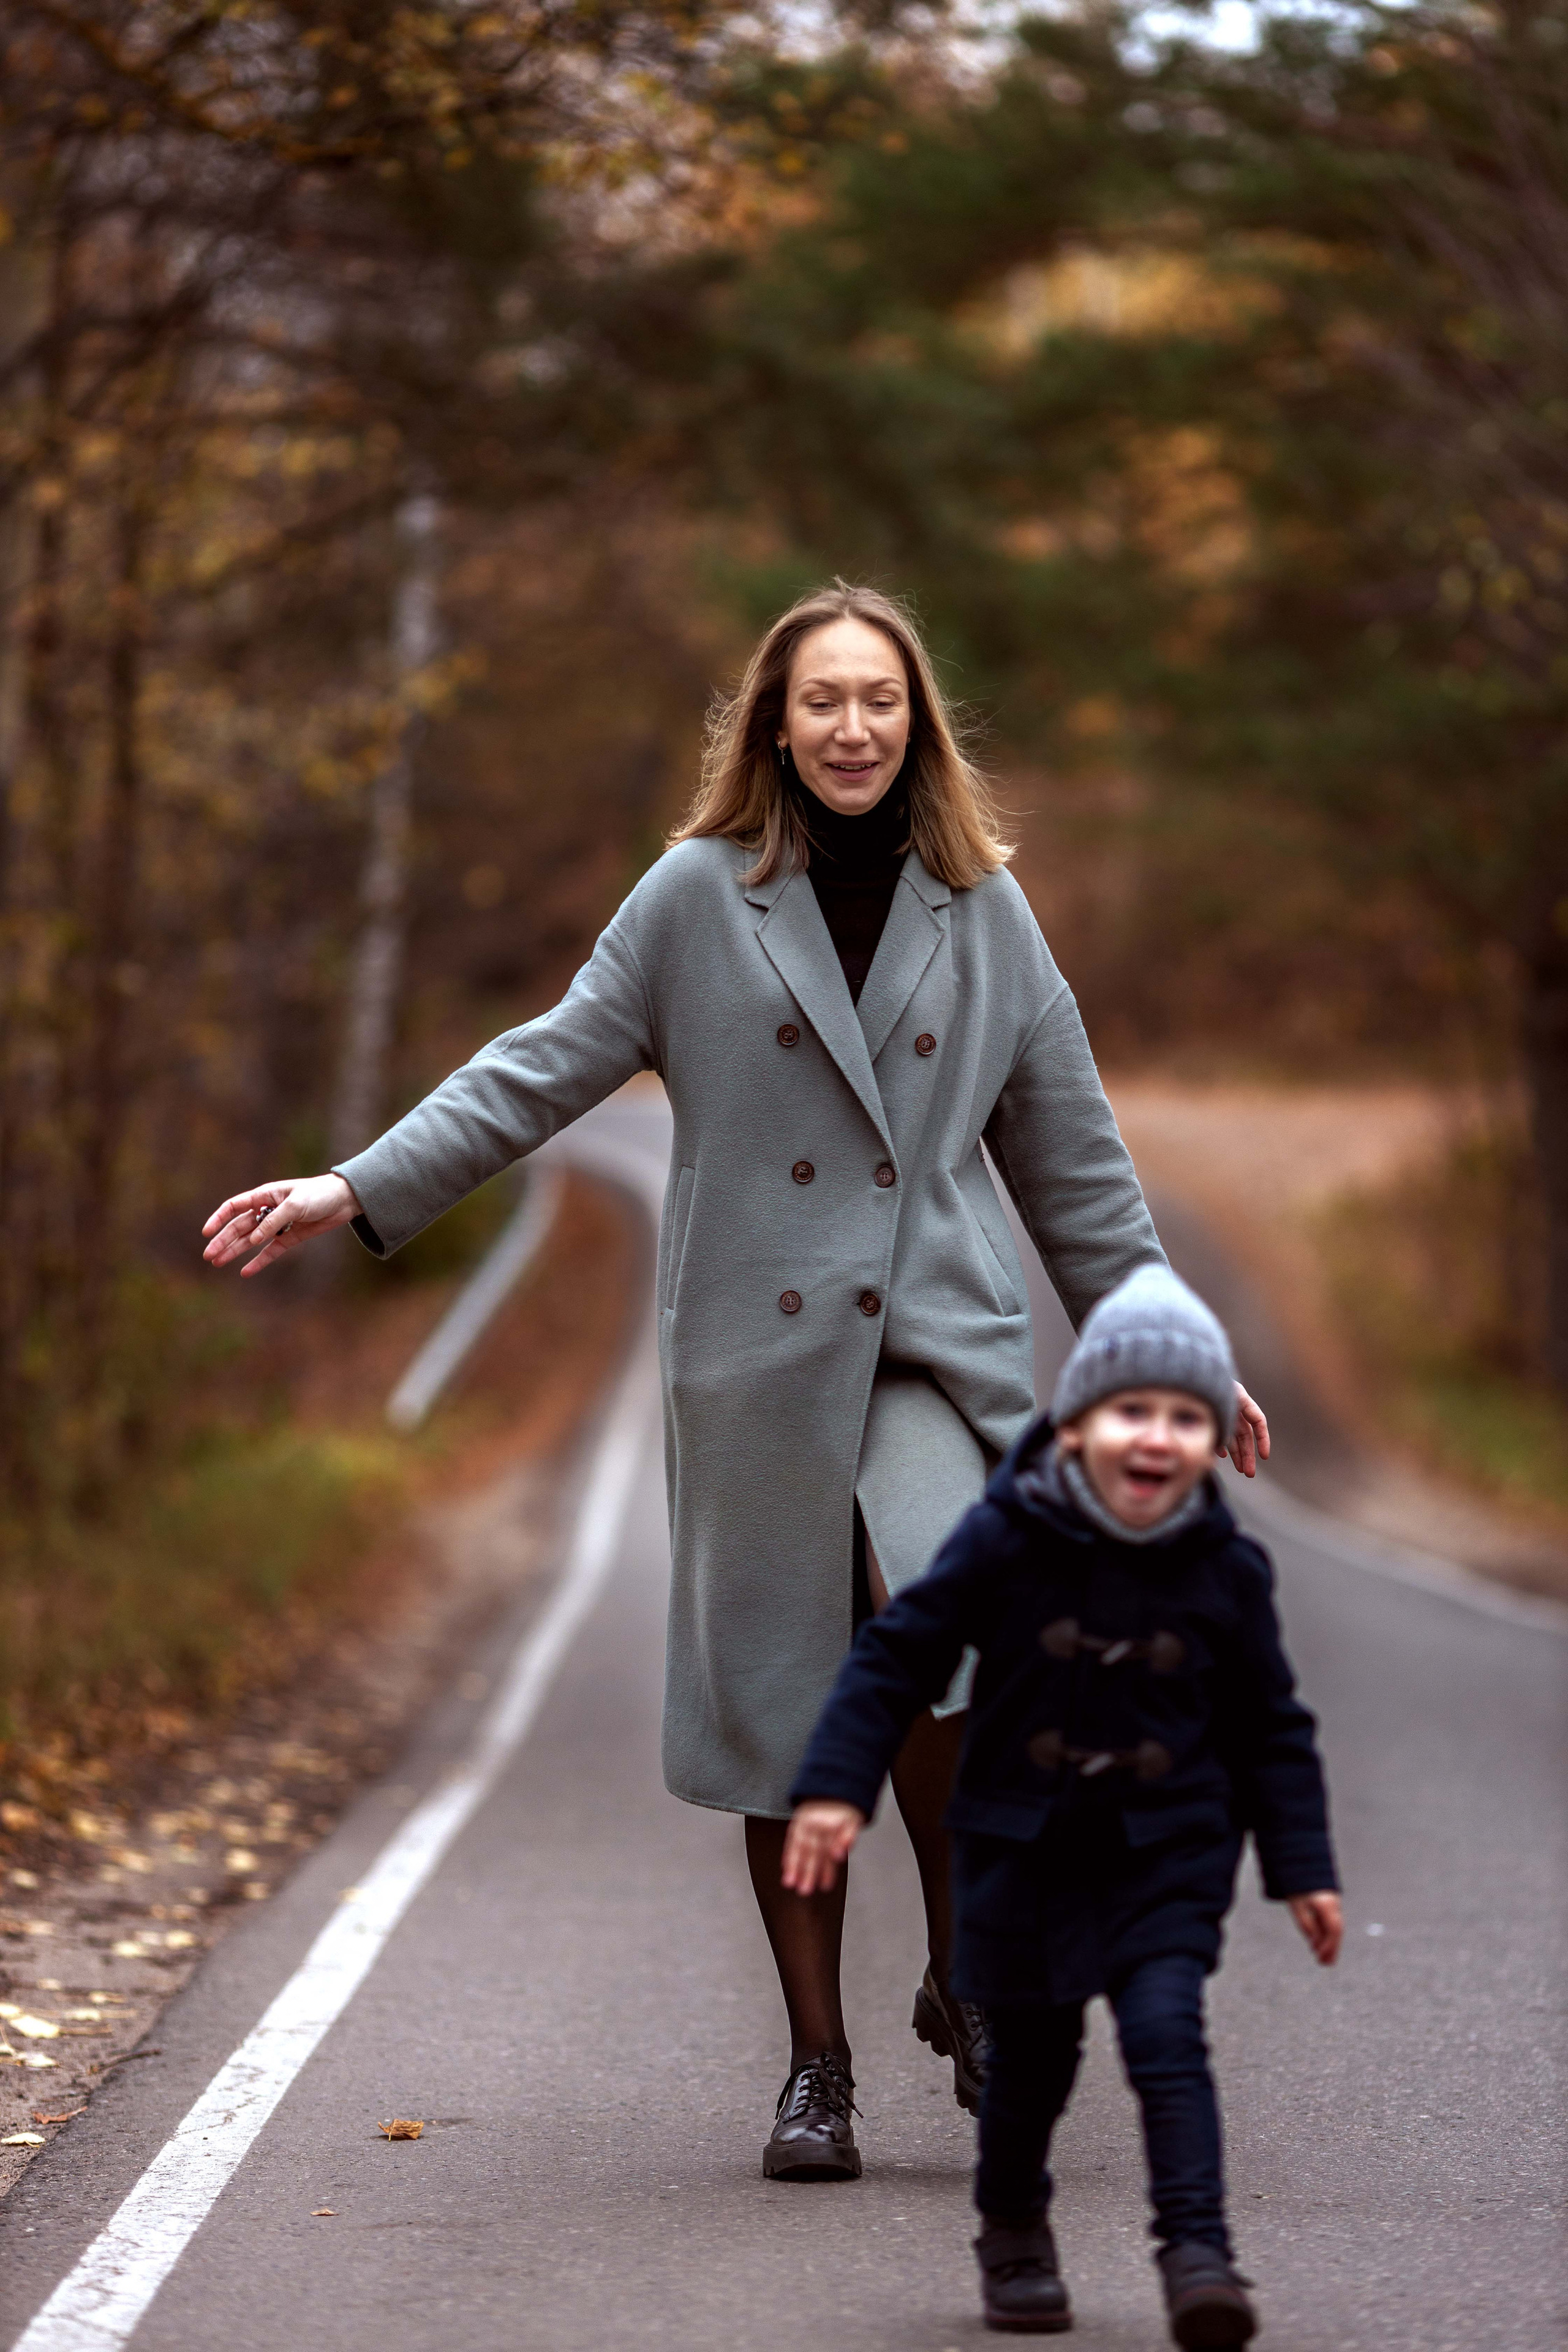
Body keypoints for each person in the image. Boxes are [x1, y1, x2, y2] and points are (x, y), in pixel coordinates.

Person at [201, 581, 1271, 2180]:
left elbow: (1079, 1170)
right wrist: (357, 1186)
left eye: (880, 701)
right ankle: (817, 2066)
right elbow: (543, 1063)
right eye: (823, 699)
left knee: (956, 1660)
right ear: (776, 721)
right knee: (789, 1704)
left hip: (936, 1352)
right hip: (757, 1367)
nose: (852, 726)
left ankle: (965, 1975)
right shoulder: (697, 897)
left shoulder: (985, 909)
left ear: (919, 727)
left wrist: (1178, 1352)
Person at [783, 1265, 1340, 2345]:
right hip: (1019, 1859)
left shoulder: (1227, 1571)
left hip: (1164, 1860)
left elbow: (1273, 1727)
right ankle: (1015, 2237)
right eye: (1131, 1410)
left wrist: (1304, 1867)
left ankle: (1198, 2254)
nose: (1156, 1437)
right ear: (1078, 1426)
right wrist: (835, 1792)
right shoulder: (1007, 1537)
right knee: (1034, 2066)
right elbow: (898, 1657)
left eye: (1186, 1416)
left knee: (1169, 2043)